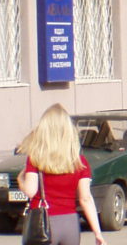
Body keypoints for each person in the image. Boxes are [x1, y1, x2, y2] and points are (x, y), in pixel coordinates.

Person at [17, 104, 107, 245]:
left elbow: (30, 191)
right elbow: (85, 199)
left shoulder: (35, 158)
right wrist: (98, 233)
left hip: (43, 223)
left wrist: (20, 179)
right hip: (70, 223)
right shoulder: (79, 162)